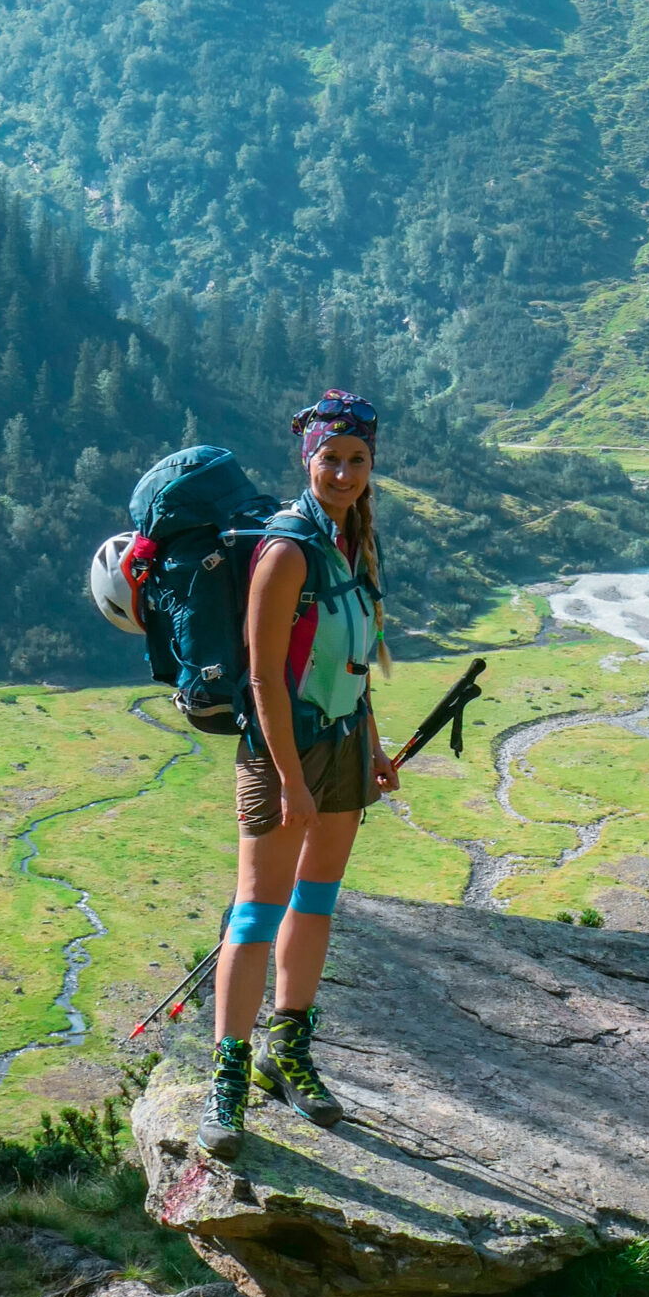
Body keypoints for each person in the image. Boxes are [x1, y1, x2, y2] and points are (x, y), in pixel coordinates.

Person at [197, 390, 400, 1160]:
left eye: (356, 461)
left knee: (315, 903)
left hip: (344, 748)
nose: (343, 473)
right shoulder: (286, 550)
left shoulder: (353, 542)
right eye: (330, 459)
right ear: (306, 460)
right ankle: (229, 1075)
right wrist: (290, 780)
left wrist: (372, 743)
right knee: (256, 912)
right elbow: (262, 679)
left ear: (371, 465)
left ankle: (289, 1048)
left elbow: (350, 662)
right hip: (288, 755)